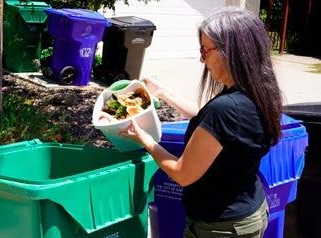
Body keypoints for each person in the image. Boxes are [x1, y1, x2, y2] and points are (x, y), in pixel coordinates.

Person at [119, 6, 283, 238]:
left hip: (219, 228)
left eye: (206, 51)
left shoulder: (226, 109)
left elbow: (182, 173)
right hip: (250, 212)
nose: (201, 58)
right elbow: (211, 121)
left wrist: (144, 139)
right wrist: (163, 92)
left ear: (232, 52)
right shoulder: (257, 93)